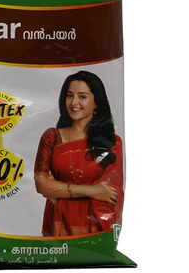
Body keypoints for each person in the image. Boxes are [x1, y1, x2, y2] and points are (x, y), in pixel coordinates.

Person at [34, 71, 124, 237]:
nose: (74, 102)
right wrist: (91, 190)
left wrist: (58, 191)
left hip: (95, 230)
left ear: (96, 102)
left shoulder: (112, 143)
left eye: (82, 97)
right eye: (70, 95)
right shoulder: (52, 137)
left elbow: (111, 194)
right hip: (57, 226)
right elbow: (41, 184)